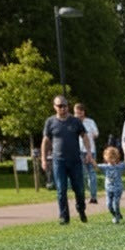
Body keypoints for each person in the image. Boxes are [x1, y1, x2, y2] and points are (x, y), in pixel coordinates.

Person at [41, 95, 92, 224]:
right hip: (59, 161)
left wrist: (89, 153)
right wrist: (43, 159)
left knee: (79, 189)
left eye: (65, 105)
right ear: (54, 107)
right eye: (60, 106)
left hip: (75, 160)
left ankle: (81, 209)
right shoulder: (50, 122)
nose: (63, 108)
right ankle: (64, 216)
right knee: (61, 189)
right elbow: (46, 141)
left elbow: (84, 136)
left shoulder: (75, 121)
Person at [73, 102, 99, 204]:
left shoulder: (90, 122)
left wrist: (89, 135)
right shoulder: (73, 122)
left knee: (91, 173)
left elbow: (96, 134)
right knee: (81, 174)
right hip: (78, 151)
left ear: (83, 112)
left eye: (79, 113)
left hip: (90, 151)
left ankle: (93, 196)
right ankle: (81, 196)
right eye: (75, 113)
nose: (77, 115)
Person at [97, 145, 125, 223]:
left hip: (118, 189)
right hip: (108, 189)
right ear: (106, 158)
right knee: (109, 205)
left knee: (115, 204)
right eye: (109, 157)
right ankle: (117, 214)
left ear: (117, 158)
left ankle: (116, 217)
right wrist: (90, 160)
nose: (111, 159)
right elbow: (96, 166)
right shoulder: (105, 167)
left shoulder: (119, 166)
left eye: (113, 157)